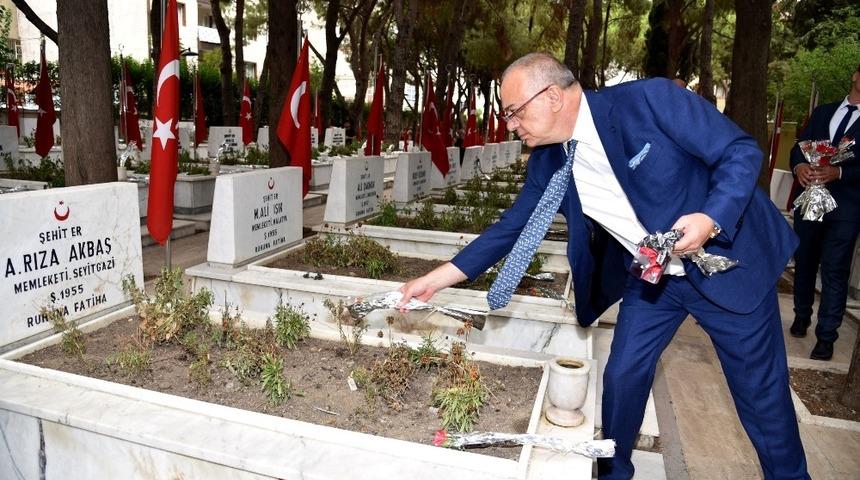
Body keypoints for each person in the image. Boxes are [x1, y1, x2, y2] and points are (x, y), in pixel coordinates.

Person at [398, 53, 809, 479]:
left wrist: (710, 218)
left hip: (727, 265)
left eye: (515, 112)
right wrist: (436, 279)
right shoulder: (549, 160)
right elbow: (512, 228)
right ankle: (615, 472)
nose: (511, 124)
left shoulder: (650, 101)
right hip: (655, 282)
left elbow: (739, 151)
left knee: (762, 401)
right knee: (623, 377)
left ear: (553, 97)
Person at [789, 64, 860, 361]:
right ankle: (801, 315)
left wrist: (839, 173)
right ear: (855, 76)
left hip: (847, 207)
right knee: (804, 260)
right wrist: (799, 166)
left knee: (834, 270)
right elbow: (799, 147)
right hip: (811, 201)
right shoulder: (823, 112)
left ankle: (826, 336)